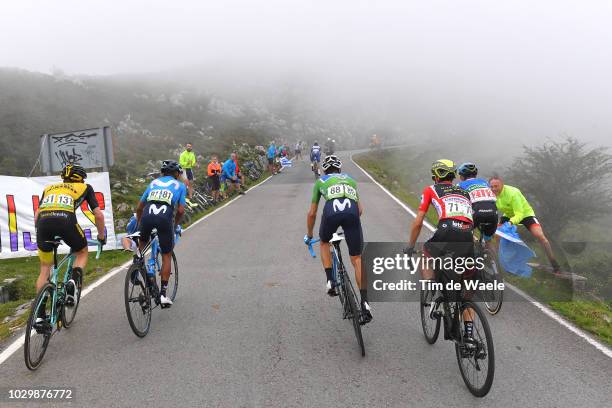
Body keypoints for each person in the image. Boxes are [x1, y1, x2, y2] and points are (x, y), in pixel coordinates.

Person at [405, 160, 475, 344]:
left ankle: (432, 286)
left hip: (447, 231)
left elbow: (418, 222)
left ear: (436, 177)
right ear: (452, 177)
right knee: (465, 292)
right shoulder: (464, 192)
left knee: (425, 253)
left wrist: (410, 246)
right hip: (468, 235)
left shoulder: (431, 190)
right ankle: (469, 337)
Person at [305, 155, 372, 324]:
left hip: (331, 212)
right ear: (340, 169)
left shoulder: (321, 182)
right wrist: (349, 224)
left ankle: (330, 281)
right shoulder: (350, 180)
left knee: (324, 242)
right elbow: (360, 210)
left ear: (325, 170)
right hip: (352, 214)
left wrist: (310, 234)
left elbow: (312, 213)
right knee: (357, 258)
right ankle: (365, 302)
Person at [35, 163, 106, 322]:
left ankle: (39, 315)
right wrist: (101, 237)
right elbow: (99, 216)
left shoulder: (49, 188)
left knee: (45, 269)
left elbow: (37, 214)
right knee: (81, 251)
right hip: (66, 221)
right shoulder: (85, 187)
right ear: (80, 178)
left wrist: (41, 232)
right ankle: (73, 282)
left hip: (43, 224)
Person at [136, 160, 186, 307]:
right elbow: (181, 210)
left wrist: (140, 223)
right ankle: (163, 294)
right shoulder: (180, 186)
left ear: (163, 172)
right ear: (177, 174)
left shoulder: (153, 183)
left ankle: (138, 263)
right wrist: (175, 224)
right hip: (165, 218)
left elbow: (139, 207)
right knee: (166, 255)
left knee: (142, 245)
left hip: (147, 215)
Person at [489, 176, 560, 273]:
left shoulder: (513, 193)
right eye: (491, 187)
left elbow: (519, 214)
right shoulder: (492, 195)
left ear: (502, 185)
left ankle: (554, 262)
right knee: (497, 235)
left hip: (525, 214)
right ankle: (498, 263)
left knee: (540, 237)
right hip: (509, 215)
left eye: (496, 186)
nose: (494, 189)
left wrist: (510, 223)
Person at [457, 163, 498, 244]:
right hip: (493, 213)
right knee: (488, 240)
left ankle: (473, 243)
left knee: (460, 231)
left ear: (462, 176)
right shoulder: (485, 182)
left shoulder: (460, 185)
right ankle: (489, 253)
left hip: (477, 213)